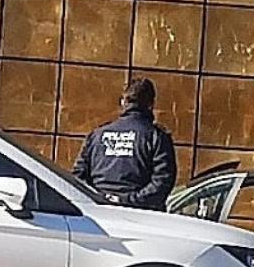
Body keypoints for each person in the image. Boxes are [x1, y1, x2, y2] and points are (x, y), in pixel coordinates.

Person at [73, 78, 177, 211]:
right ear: (151, 104)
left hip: (98, 213)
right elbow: (162, 182)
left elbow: (78, 177)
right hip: (141, 217)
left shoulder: (97, 135)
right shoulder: (157, 137)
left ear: (123, 102)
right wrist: (129, 200)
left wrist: (100, 197)